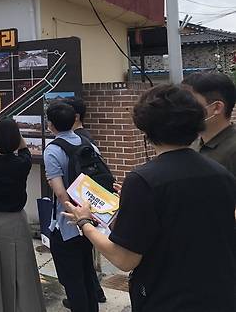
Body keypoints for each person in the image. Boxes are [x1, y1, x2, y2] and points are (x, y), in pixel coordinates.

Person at [64, 84, 236, 312]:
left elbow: (124, 259)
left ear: (145, 128)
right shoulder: (221, 173)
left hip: (168, 297)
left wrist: (84, 222)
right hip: (220, 292)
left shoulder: (143, 180)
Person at [0, 119, 46, 312]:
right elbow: (24, 149)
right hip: (17, 221)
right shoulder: (21, 164)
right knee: (21, 267)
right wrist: (17, 138)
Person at [44, 101, 99, 312]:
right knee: (86, 271)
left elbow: (59, 192)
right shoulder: (88, 144)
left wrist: (72, 212)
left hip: (67, 222)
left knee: (71, 277)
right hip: (89, 218)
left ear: (51, 125)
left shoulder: (53, 151)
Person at [63, 97, 108, 306]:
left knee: (79, 257)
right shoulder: (84, 138)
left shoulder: (81, 140)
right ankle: (95, 292)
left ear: (75, 116)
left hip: (81, 210)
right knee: (85, 257)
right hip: (85, 209)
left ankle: (86, 296)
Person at [183, 71, 236, 177]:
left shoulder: (232, 149)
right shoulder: (192, 145)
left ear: (217, 107)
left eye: (189, 102)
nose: (182, 109)